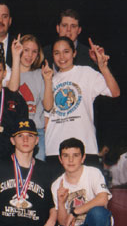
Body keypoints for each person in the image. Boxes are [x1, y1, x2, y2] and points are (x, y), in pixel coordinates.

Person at [44, 37, 120, 169]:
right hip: (55, 151)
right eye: (57, 53)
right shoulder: (49, 80)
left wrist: (103, 66)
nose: (62, 57)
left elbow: (115, 92)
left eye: (66, 51)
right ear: (52, 56)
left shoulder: (86, 73)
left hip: (85, 149)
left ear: (74, 53)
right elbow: (47, 117)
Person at [52, 138, 113, 226]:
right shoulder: (57, 185)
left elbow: (103, 199)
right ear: (60, 159)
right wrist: (61, 203)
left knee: (97, 212)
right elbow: (63, 222)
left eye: (75, 155)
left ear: (83, 158)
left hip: (94, 225)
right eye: (66, 156)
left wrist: (75, 211)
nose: (71, 160)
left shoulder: (92, 173)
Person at [10, 35, 54, 160]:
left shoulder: (40, 75)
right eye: (26, 50)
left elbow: (48, 106)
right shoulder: (8, 72)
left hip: (36, 132)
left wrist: (48, 81)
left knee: (38, 173)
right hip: (13, 133)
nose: (30, 55)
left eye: (34, 51)